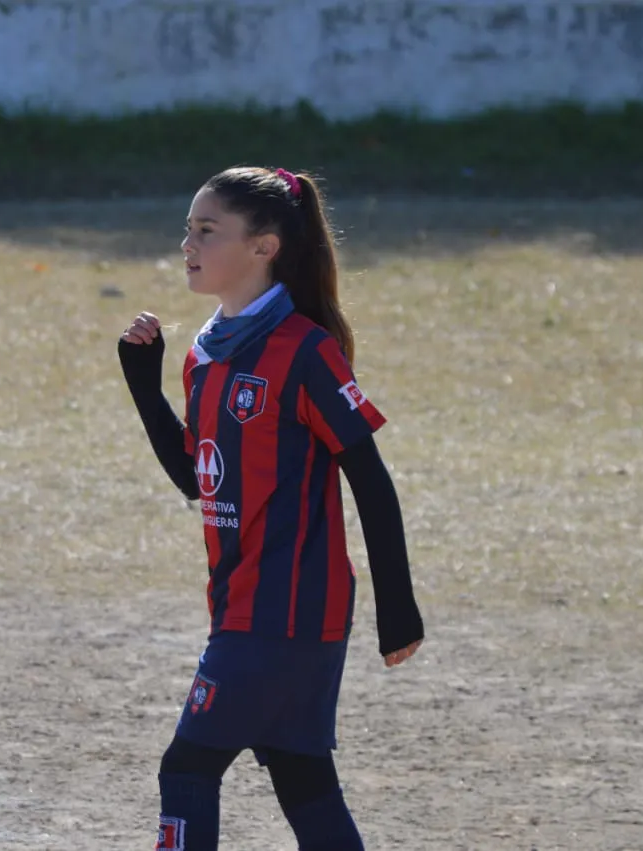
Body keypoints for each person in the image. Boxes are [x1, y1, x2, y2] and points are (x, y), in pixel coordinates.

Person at [118, 166, 424, 851]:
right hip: (247, 606)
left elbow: (370, 480)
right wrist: (145, 386)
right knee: (301, 775)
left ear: (265, 246)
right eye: (187, 230)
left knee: (188, 764)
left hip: (285, 612)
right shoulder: (206, 352)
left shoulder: (304, 351)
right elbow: (198, 479)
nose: (188, 244)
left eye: (207, 230)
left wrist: (397, 605)